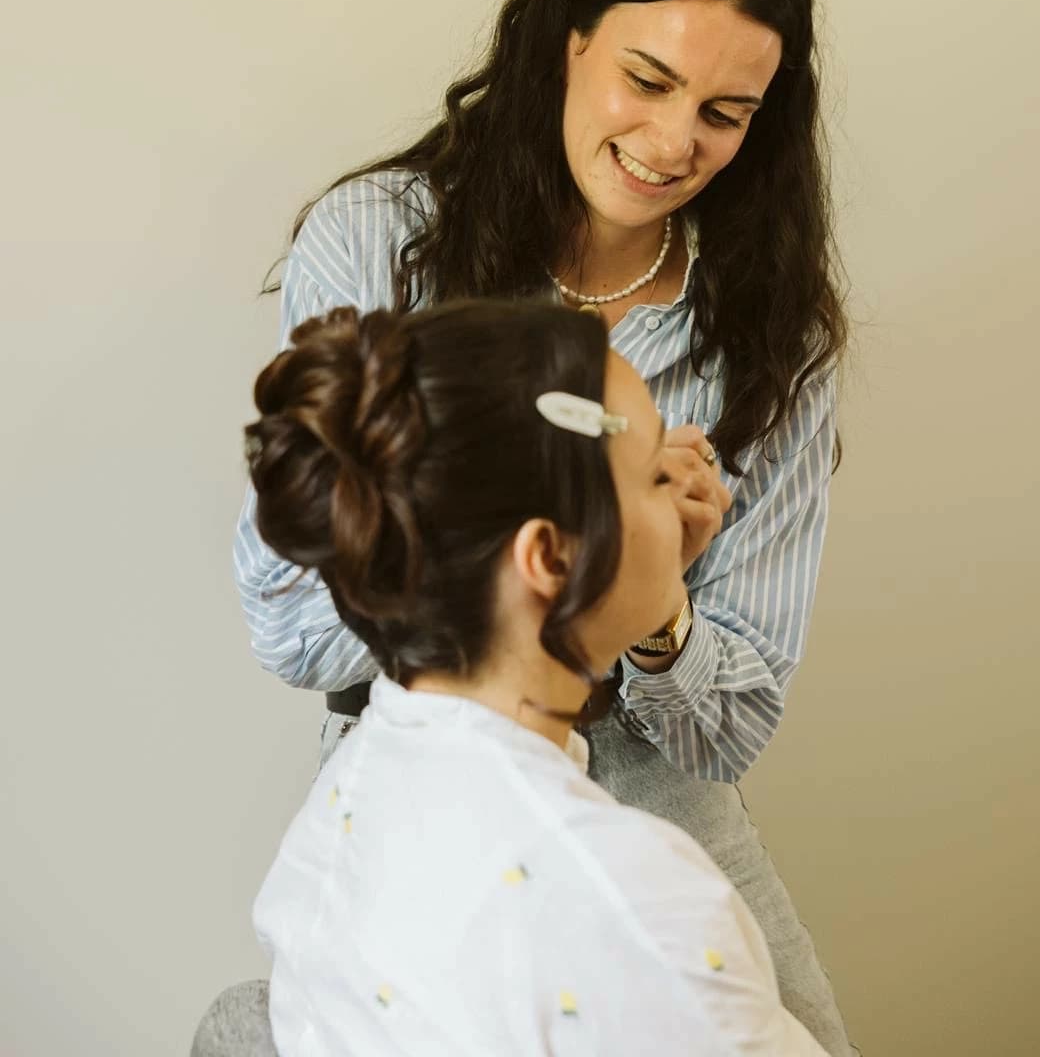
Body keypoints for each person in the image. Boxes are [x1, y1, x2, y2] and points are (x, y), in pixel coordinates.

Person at [234, 0, 852, 1052]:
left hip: (631, 778)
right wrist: (606, 570)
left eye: (727, 112)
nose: (675, 145)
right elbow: (293, 621)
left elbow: (729, 729)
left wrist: (651, 599)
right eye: (649, 81)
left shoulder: (765, 334)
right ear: (567, 40)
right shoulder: (379, 240)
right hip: (430, 753)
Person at [248, 298, 832, 1055]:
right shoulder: (641, 908)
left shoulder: (336, 815)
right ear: (551, 559)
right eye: (656, 471)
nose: (692, 474)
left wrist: (634, 568)